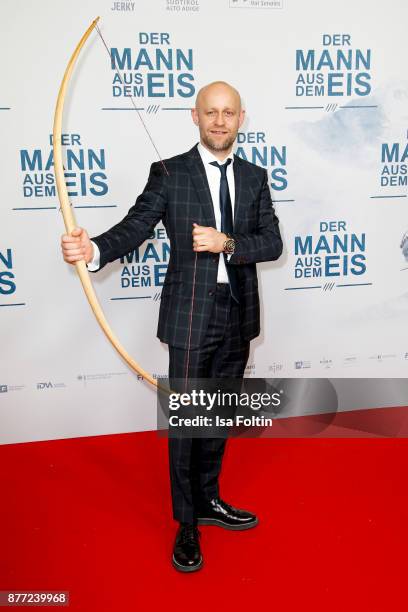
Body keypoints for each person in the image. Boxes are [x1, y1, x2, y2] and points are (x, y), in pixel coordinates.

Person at [61, 81, 283, 573]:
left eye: (228, 113)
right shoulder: (169, 173)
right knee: (185, 424)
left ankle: (209, 501)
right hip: (188, 318)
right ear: (195, 116)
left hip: (237, 314)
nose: (220, 122)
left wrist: (227, 243)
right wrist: (92, 249)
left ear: (241, 118)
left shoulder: (255, 176)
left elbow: (271, 243)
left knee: (217, 416)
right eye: (211, 113)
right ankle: (186, 522)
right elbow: (135, 226)